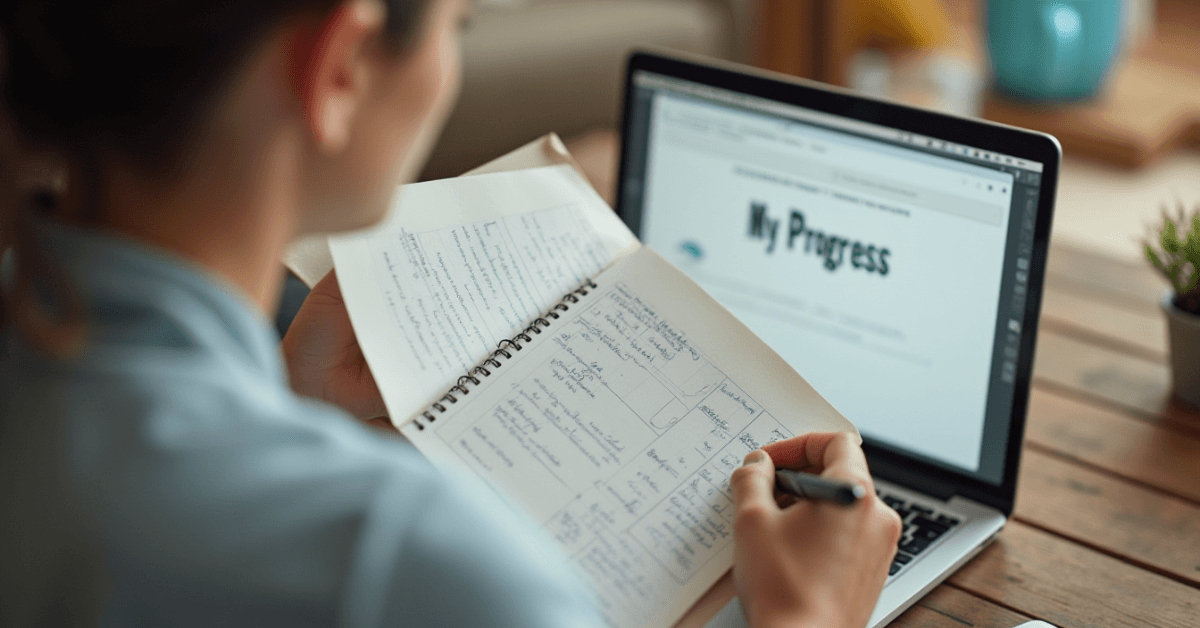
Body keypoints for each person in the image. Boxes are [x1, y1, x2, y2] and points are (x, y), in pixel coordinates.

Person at [0, 0, 902, 626]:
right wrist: (809, 617)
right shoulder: (423, 569)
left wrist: (285, 401)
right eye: (456, 24)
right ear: (341, 67)